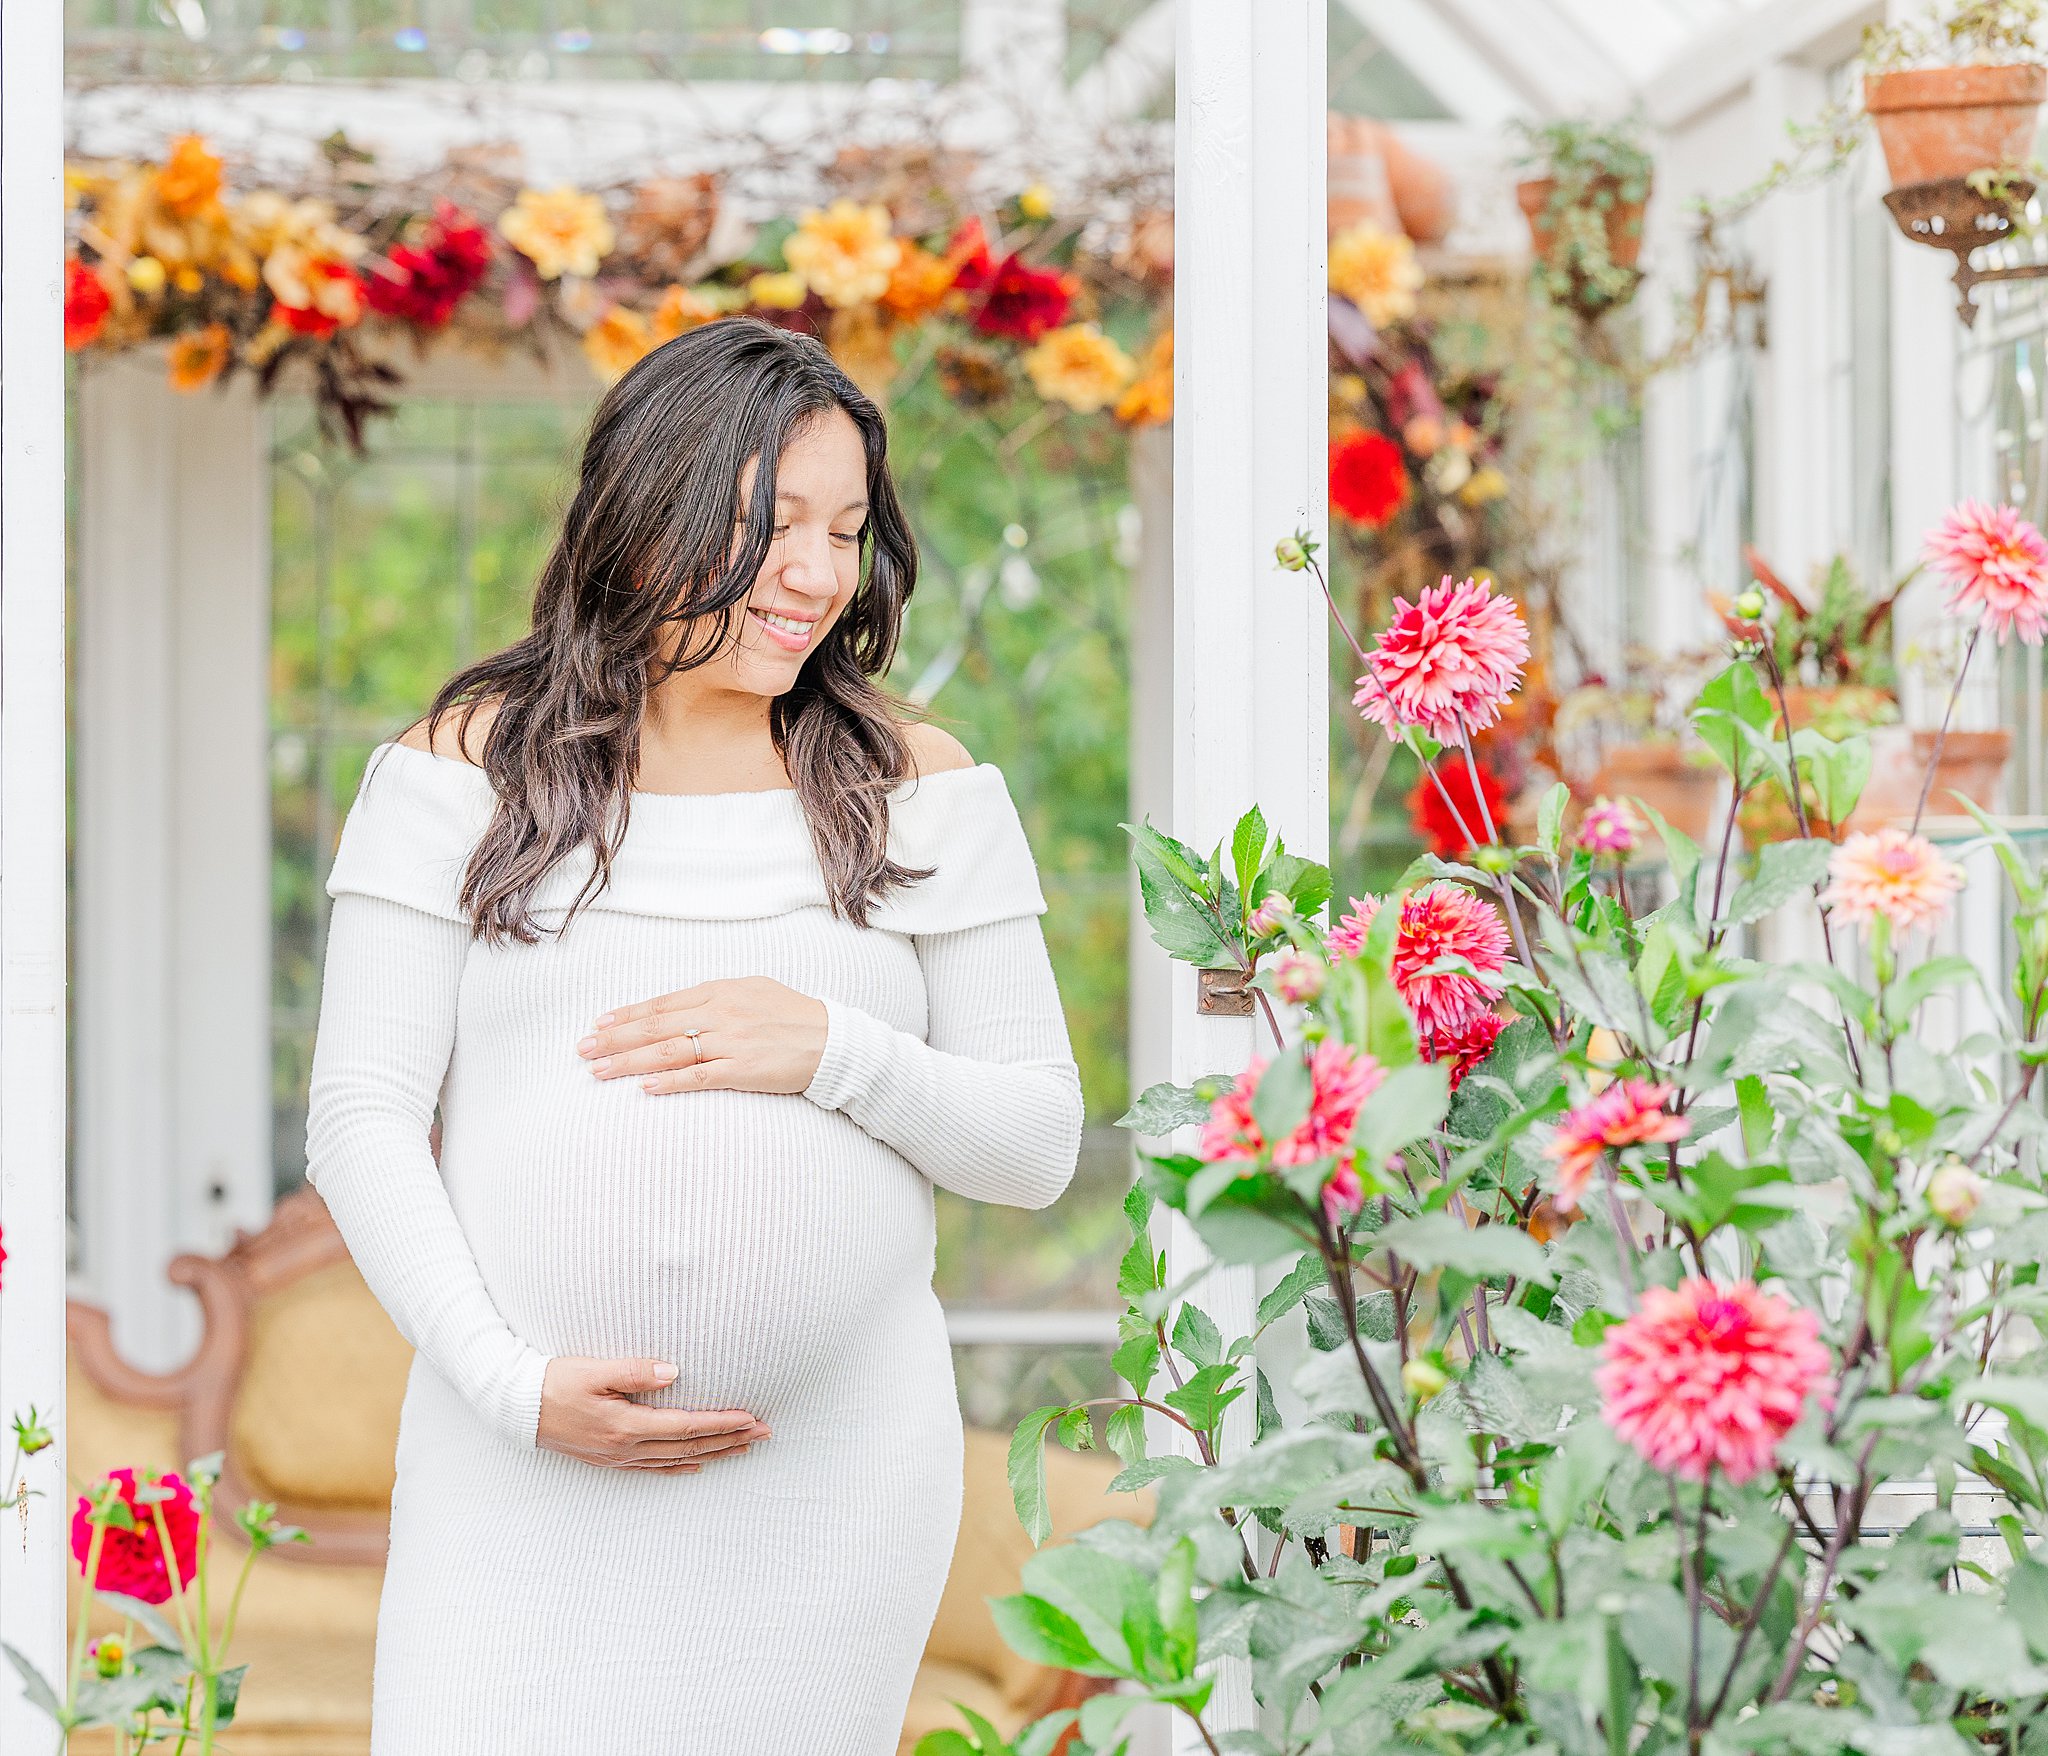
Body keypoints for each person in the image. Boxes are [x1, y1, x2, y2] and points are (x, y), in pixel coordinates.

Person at [302, 317, 1084, 1753]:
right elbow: (359, 1114)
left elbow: (1036, 1142)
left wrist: (834, 1052)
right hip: (515, 1475)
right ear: (647, 507)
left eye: (847, 531)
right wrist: (508, 1384)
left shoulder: (922, 783)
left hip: (831, 1485)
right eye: (774, 524)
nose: (816, 575)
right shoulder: (457, 773)